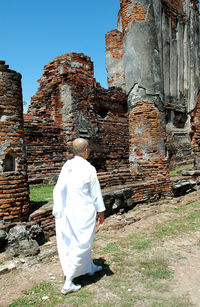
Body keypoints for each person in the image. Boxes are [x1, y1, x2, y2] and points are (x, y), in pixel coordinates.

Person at [53, 138, 105, 295]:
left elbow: (58, 189)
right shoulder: (89, 168)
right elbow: (96, 193)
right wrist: (101, 212)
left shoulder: (67, 166)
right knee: (81, 244)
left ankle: (88, 267)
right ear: (86, 151)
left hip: (69, 211)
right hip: (84, 212)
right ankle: (69, 281)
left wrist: (59, 208)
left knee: (79, 242)